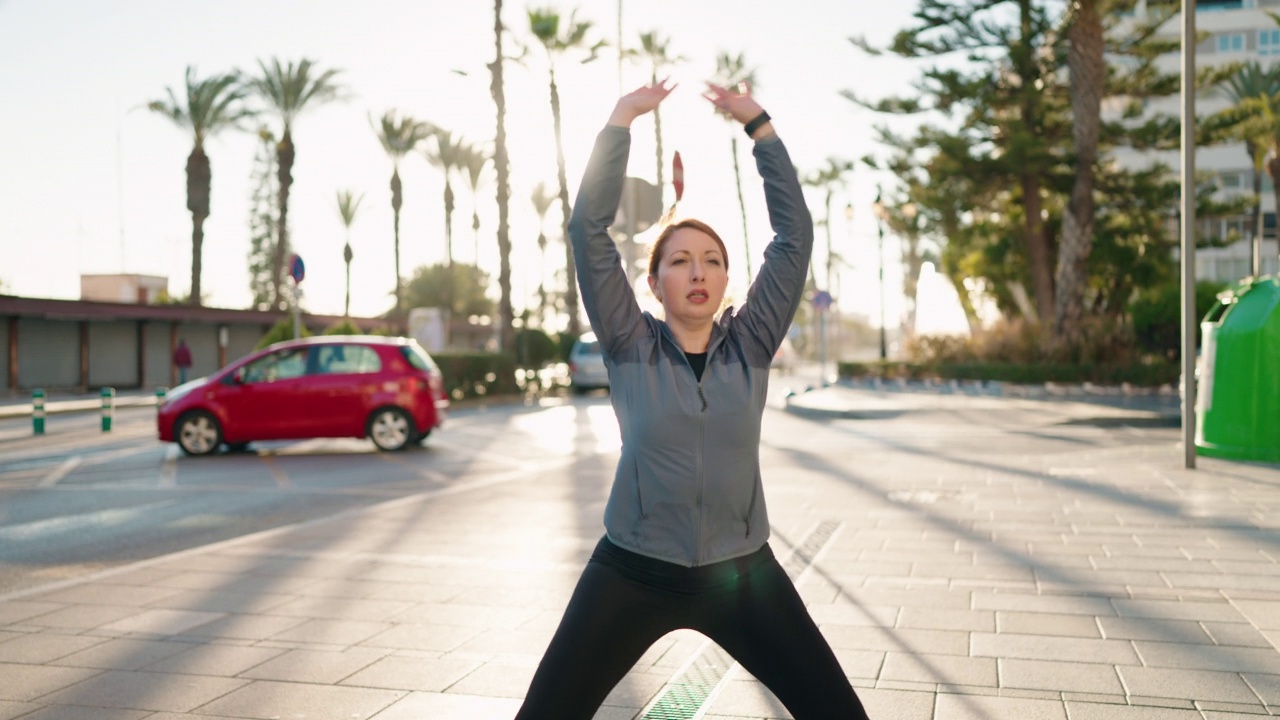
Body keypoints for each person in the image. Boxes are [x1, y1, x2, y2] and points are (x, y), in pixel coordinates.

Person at [514, 81, 869, 719]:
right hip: (631, 570)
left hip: (743, 576)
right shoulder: (629, 344)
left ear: (728, 278)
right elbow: (586, 232)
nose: (698, 271)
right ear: (654, 282)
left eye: (711, 260)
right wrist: (620, 119)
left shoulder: (752, 343)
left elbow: (794, 237)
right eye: (680, 261)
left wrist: (760, 126)